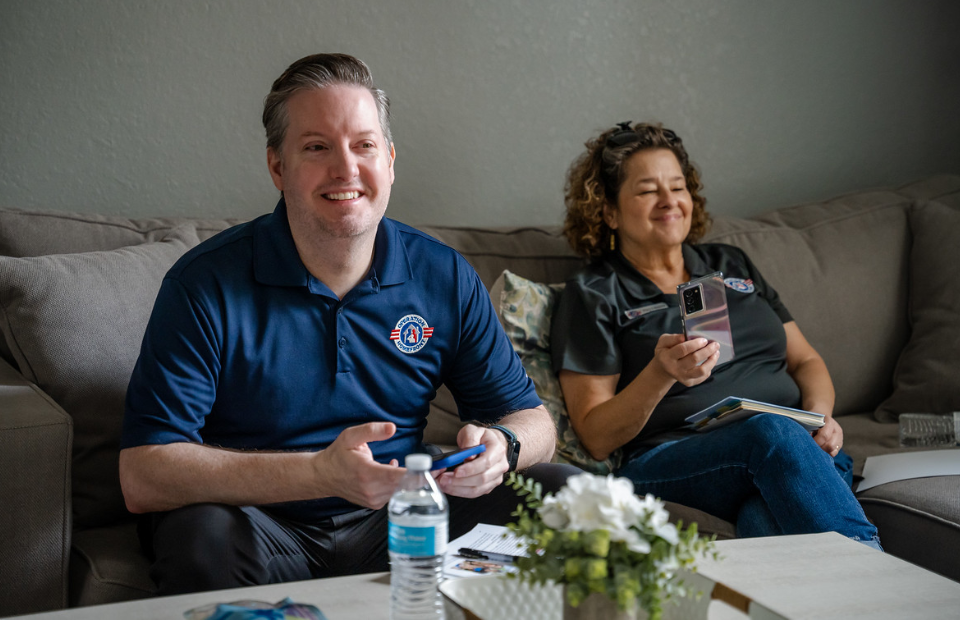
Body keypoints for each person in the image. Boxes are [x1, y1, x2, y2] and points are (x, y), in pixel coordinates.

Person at [119, 53, 570, 595]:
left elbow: (536, 423)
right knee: (200, 534)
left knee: (563, 493)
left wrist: (504, 447)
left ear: (391, 161)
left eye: (364, 145)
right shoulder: (204, 284)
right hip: (260, 523)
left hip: (406, 518)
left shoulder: (443, 275)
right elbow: (143, 475)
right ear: (278, 167)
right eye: (317, 147)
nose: (346, 169)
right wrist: (317, 473)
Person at [550, 121, 881, 548]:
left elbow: (806, 361)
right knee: (771, 433)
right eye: (648, 190)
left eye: (678, 187)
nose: (669, 201)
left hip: (796, 448)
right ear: (609, 211)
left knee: (763, 518)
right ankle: (871, 567)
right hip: (675, 457)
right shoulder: (594, 292)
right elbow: (595, 436)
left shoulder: (731, 262)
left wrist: (821, 419)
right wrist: (660, 373)